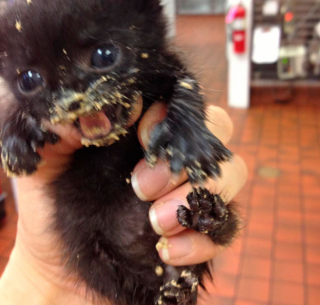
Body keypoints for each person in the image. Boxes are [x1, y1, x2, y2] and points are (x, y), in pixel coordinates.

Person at [0, 99, 247, 304]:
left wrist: (185, 103)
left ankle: (203, 229)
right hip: (99, 250)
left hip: (109, 248)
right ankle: (203, 230)